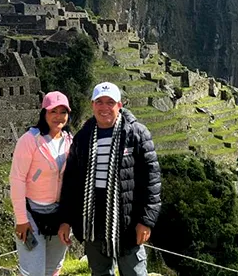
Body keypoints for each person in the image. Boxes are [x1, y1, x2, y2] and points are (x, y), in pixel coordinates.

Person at [57, 82, 161, 276]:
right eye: (99, 102)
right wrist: (65, 220)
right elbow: (71, 182)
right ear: (92, 105)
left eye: (110, 102)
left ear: (119, 105)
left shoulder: (137, 134)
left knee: (134, 272)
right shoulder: (83, 137)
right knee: (100, 272)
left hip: (127, 221)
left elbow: (152, 180)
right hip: (93, 221)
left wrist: (146, 220)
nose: (104, 107)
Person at [10, 91, 74, 276]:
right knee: (33, 271)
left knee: (53, 269)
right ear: (44, 113)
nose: (58, 117)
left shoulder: (70, 141)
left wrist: (68, 220)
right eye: (53, 111)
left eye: (63, 112)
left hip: (59, 214)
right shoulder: (30, 140)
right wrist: (21, 220)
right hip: (32, 213)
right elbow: (17, 179)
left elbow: (73, 181)